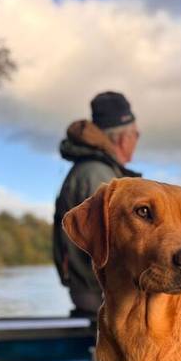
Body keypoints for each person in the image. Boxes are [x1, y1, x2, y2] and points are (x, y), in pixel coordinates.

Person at [53, 91, 141, 316]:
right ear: (123, 138)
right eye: (136, 134)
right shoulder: (98, 177)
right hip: (102, 297)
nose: (137, 140)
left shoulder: (93, 171)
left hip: (93, 294)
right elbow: (116, 246)